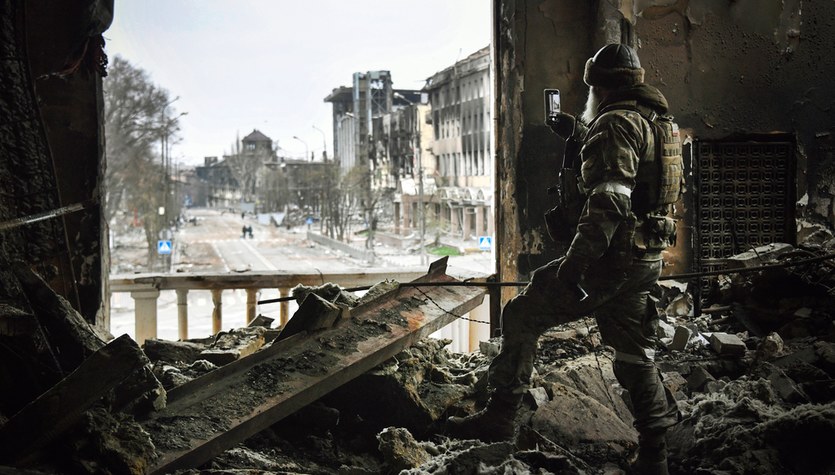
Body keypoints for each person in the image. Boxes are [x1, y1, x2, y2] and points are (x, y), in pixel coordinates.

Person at [447, 43, 681, 475]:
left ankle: (500, 419)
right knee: (634, 355)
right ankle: (655, 456)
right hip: (645, 258)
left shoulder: (614, 124)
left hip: (606, 262)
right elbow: (639, 179)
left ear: (599, 86)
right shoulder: (657, 121)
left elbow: (609, 203)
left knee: (520, 316)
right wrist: (577, 133)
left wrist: (573, 269)